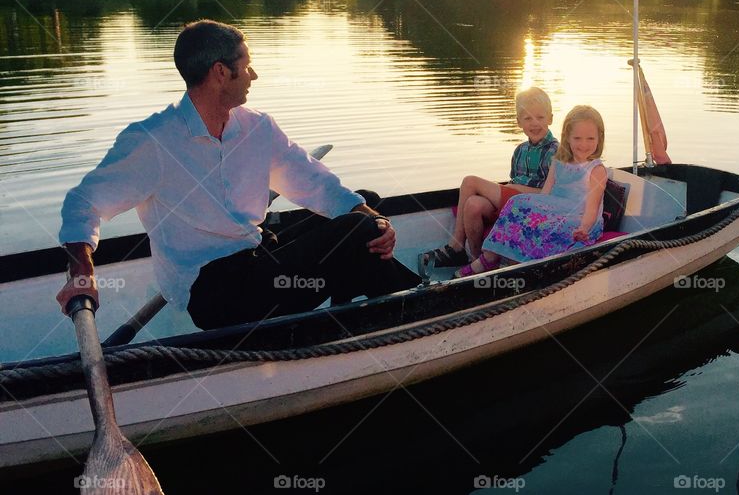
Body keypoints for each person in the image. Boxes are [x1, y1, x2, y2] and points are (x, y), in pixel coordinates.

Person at [56, 20, 421, 329]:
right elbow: (83, 204)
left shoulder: (257, 127)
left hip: (256, 258)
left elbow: (314, 182)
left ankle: (356, 311)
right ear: (220, 72)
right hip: (214, 295)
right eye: (247, 66)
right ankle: (414, 309)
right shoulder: (153, 141)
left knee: (364, 206)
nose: (253, 75)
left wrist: (376, 221)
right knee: (358, 230)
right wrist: (82, 273)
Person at [455, 105, 607, 278]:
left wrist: (583, 228)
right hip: (554, 209)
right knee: (517, 202)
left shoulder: (596, 170)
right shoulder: (558, 161)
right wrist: (532, 210)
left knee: (544, 224)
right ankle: (491, 256)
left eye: (590, 138)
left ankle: (516, 264)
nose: (584, 144)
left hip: (580, 218)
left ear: (599, 138)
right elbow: (545, 195)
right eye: (577, 138)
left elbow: (592, 209)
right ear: (567, 137)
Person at [419, 87, 558, 268]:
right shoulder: (520, 150)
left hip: (530, 204)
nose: (534, 123)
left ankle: (456, 245)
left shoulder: (555, 151)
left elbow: (553, 194)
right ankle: (476, 260)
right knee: (473, 205)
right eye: (528, 118)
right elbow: (513, 180)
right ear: (518, 122)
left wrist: (515, 189)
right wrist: (511, 188)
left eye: (540, 117)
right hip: (511, 201)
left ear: (550, 119)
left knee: (470, 182)